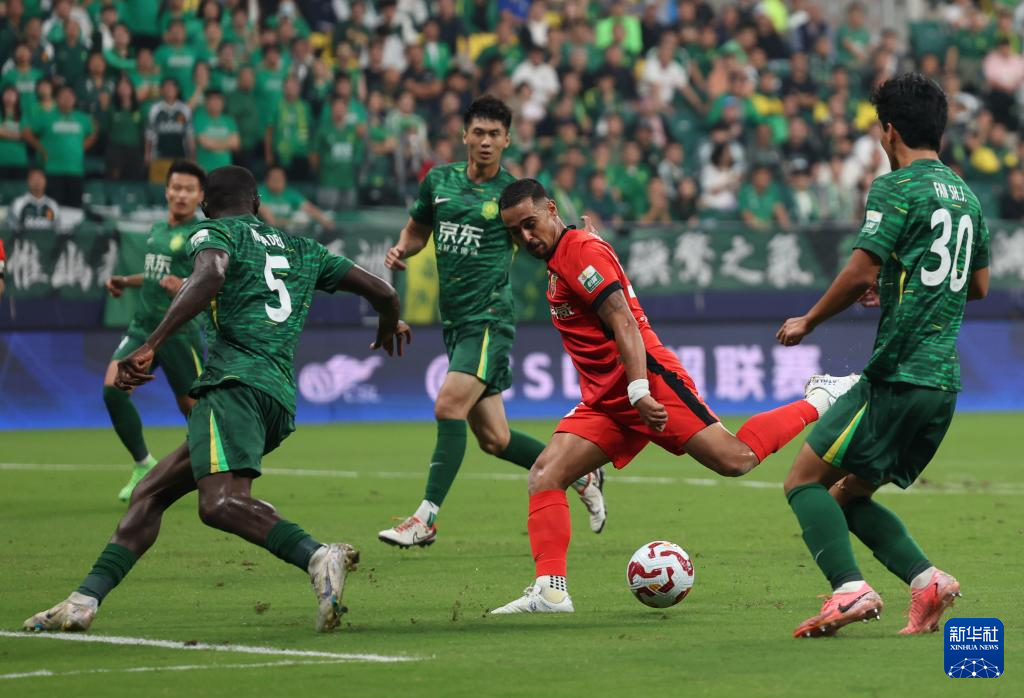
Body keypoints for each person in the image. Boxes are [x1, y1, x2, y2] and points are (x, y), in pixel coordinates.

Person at [23, 165, 412, 634]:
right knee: (151, 492)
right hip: (276, 398)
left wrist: (151, 343)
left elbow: (211, 274)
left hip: (232, 385)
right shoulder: (303, 248)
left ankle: (316, 555)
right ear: (257, 203)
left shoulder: (214, 232)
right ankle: (83, 601)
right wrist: (388, 324)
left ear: (206, 205)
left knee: (219, 503)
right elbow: (384, 292)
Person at [489, 178, 858, 614]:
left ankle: (822, 397)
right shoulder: (569, 253)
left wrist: (639, 388)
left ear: (551, 209)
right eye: (515, 231)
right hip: (608, 400)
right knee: (544, 475)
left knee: (735, 459)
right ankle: (551, 592)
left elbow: (624, 321)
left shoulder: (580, 253)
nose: (525, 237)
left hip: (648, 381)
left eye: (530, 223)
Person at [776, 73, 990, 639]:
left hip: (895, 375)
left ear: (889, 131)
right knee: (847, 495)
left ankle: (849, 588)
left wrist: (809, 320)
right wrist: (900, 282)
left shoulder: (896, 187)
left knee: (803, 483)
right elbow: (978, 285)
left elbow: (858, 271)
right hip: (941, 386)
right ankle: (927, 581)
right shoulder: (968, 196)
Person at [378, 96, 607, 549]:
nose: (485, 141)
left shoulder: (511, 197)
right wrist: (403, 248)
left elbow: (548, 237)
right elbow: (417, 231)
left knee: (448, 406)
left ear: (507, 140)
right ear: (464, 135)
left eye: (494, 134)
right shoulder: (438, 181)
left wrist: (583, 246)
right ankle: (582, 476)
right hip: (454, 321)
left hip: (489, 319)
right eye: (478, 132)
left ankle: (425, 519)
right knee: (495, 440)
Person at [103, 161, 207, 502]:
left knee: (193, 409)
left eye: (189, 189)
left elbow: (212, 279)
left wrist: (185, 284)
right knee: (113, 390)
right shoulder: (158, 230)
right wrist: (125, 280)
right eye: (176, 187)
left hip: (178, 332)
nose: (181, 194)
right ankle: (143, 464)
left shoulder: (201, 235)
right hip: (144, 328)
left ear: (200, 196)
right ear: (166, 191)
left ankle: (217, 469)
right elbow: (156, 275)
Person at [20, 84, 95, 207]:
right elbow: (26, 132)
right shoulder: (46, 116)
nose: (66, 100)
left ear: (74, 100)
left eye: (70, 97)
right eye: (63, 97)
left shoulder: (82, 118)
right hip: (52, 170)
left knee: (74, 210)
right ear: (57, 99)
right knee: (54, 208)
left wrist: (82, 146)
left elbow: (93, 132)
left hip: (76, 171)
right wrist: (40, 148)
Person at [6, 167, 59, 233]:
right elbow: (10, 230)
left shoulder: (52, 204)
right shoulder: (18, 203)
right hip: (24, 239)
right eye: (34, 179)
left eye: (40, 178)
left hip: (47, 239)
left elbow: (58, 230)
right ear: (28, 181)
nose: (37, 182)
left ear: (45, 181)